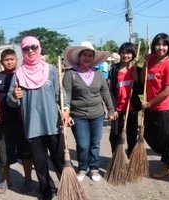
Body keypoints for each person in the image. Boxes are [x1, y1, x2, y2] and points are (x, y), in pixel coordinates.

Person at [7, 36, 70, 199]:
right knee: (40, 164)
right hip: (32, 127)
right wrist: (14, 96)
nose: (30, 51)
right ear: (22, 51)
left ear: (39, 48)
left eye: (33, 47)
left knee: (59, 160)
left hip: (53, 124)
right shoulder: (18, 74)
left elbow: (60, 93)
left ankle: (66, 187)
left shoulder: (50, 69)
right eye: (26, 48)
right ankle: (46, 190)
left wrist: (65, 109)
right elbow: (11, 102)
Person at [62, 41, 115, 182]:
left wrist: (110, 109)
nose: (88, 57)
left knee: (95, 143)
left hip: (97, 114)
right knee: (83, 144)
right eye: (84, 54)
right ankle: (82, 167)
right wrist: (65, 113)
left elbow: (105, 91)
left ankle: (94, 167)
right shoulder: (70, 74)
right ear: (79, 57)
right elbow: (65, 95)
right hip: (78, 116)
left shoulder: (98, 73)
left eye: (90, 55)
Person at [0, 49, 33, 194]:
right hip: (4, 123)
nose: (9, 61)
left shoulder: (23, 75)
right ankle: (6, 181)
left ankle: (28, 180)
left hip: (23, 122)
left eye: (12, 59)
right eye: (6, 60)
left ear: (16, 60)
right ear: (1, 62)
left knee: (26, 153)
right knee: (4, 156)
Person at [140, 33, 169, 178]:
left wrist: (149, 103)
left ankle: (167, 166)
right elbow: (142, 79)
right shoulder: (151, 59)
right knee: (148, 134)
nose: (161, 48)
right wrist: (145, 63)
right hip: (150, 107)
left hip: (164, 108)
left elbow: (168, 90)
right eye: (158, 44)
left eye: (164, 45)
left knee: (165, 138)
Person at [108, 42, 143, 157]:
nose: (125, 55)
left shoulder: (137, 69)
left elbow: (141, 91)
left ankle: (131, 156)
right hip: (117, 108)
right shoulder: (114, 69)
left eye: (128, 53)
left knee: (131, 134)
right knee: (114, 134)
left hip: (131, 108)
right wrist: (112, 109)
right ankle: (116, 156)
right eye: (123, 53)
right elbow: (111, 90)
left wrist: (137, 79)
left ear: (133, 54)